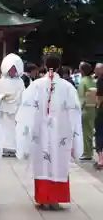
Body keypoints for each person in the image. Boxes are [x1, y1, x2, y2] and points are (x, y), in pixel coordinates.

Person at [15, 47, 83, 210]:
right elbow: (75, 112)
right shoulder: (67, 87)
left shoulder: (35, 86)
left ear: (45, 66)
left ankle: (44, 197)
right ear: (59, 67)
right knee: (58, 162)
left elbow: (25, 110)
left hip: (40, 132)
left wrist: (26, 132)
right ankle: (55, 198)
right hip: (60, 132)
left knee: (42, 162)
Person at [0, 53, 25, 157]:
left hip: (16, 110)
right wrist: (1, 97)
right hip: (5, 109)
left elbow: (23, 95)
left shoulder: (20, 82)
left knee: (14, 129)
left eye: (14, 69)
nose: (12, 71)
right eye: (10, 69)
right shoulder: (2, 81)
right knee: (4, 129)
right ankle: (5, 147)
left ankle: (14, 148)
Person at [78, 62, 96, 161]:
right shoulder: (93, 81)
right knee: (90, 132)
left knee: (85, 132)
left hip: (85, 109)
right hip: (93, 109)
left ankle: (87, 153)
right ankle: (89, 151)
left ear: (82, 70)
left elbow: (81, 98)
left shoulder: (83, 81)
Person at [94, 63, 103, 169]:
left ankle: (101, 160)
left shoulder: (101, 80)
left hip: (102, 110)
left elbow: (100, 97)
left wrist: (97, 106)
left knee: (99, 133)